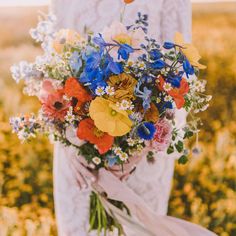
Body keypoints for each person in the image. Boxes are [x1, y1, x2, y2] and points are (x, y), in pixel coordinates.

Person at [51, 0, 191, 235]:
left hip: (141, 157)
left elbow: (180, 76)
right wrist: (70, 141)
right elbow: (54, 71)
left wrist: (139, 148)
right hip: (77, 158)